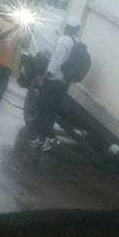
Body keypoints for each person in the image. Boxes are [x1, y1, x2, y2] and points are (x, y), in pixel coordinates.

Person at [32, 15, 82, 151]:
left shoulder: (64, 40)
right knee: (51, 111)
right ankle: (42, 139)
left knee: (43, 110)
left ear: (66, 27)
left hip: (52, 81)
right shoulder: (78, 43)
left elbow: (56, 61)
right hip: (64, 83)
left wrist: (45, 76)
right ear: (77, 29)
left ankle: (47, 139)